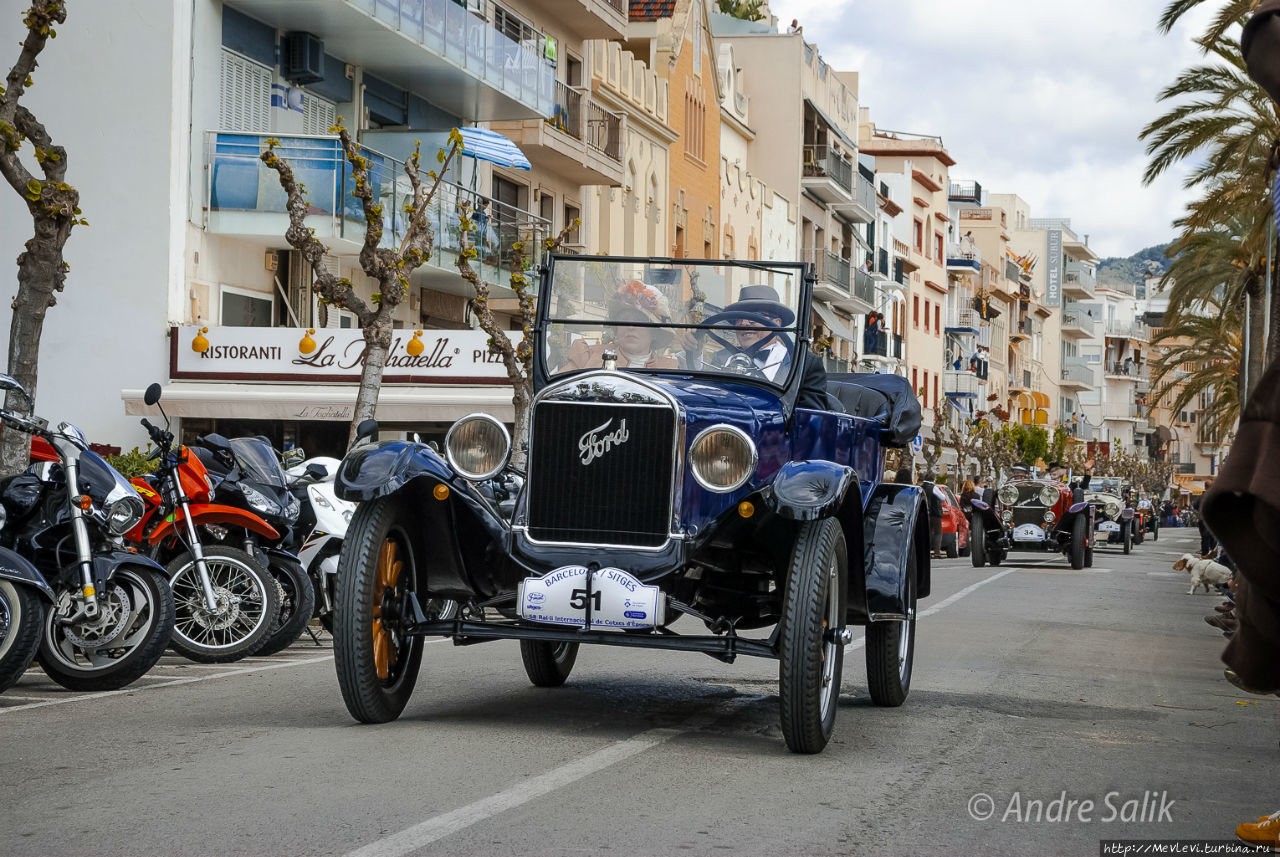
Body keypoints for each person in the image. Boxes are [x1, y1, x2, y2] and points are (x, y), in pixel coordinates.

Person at [719, 284, 829, 410]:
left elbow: (810, 418)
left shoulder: (804, 364)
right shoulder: (721, 358)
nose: (744, 323)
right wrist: (694, 351)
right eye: (739, 317)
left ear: (776, 323)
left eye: (755, 316)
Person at [559, 280, 678, 372]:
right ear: (616, 329)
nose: (631, 327)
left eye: (640, 322)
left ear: (655, 333)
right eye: (624, 320)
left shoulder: (670, 370)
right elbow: (555, 391)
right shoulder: (588, 357)